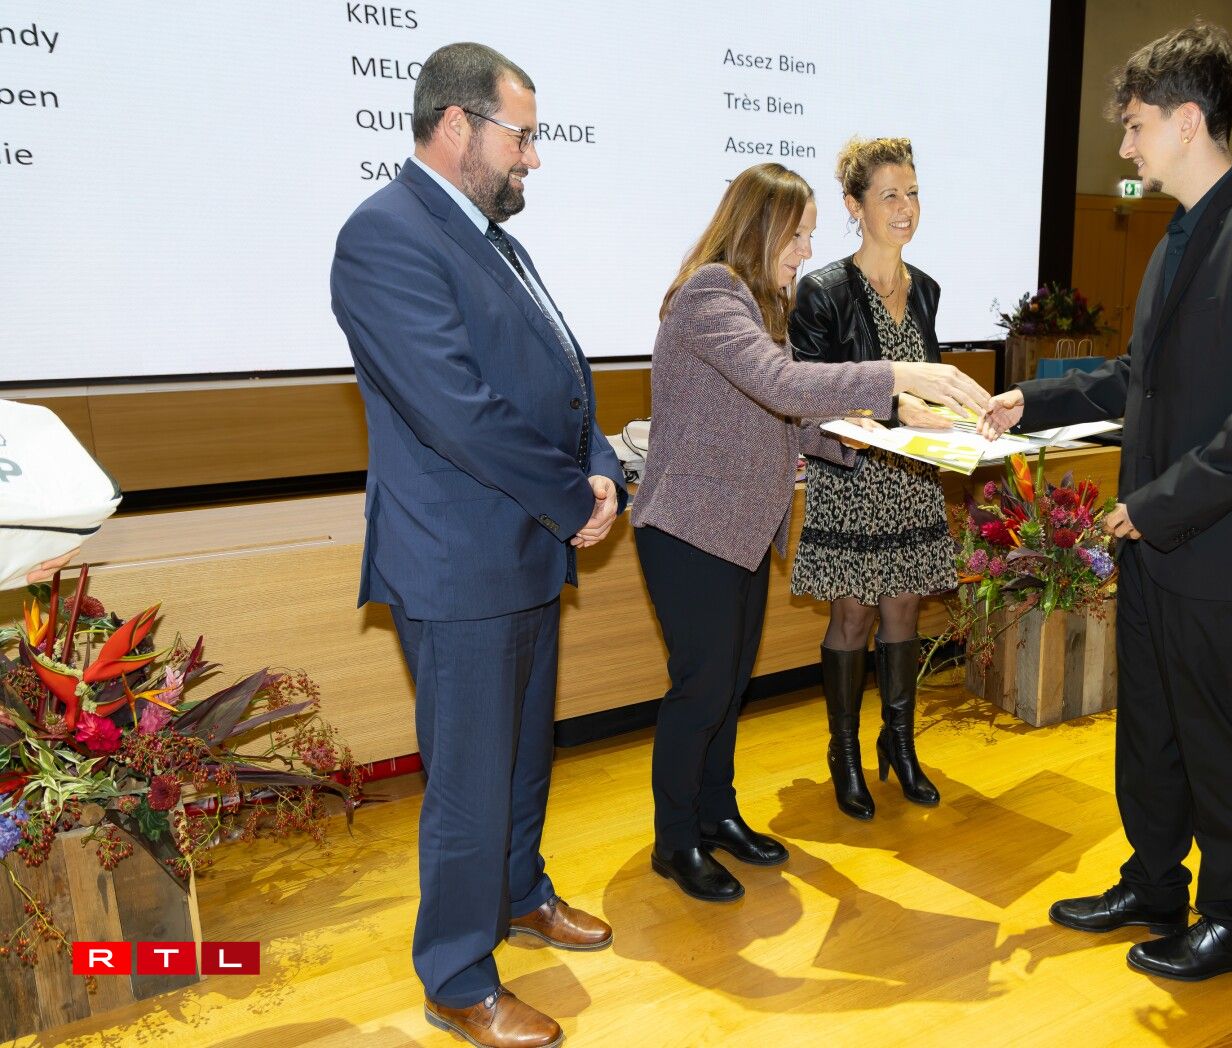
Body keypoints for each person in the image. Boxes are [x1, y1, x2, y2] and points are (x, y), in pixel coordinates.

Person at [980, 21, 1232, 982]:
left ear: (1186, 121)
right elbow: (1139, 376)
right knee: (1151, 727)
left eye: (1134, 126)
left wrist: (1157, 503)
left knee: (1218, 737)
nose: (1126, 147)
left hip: (1221, 546)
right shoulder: (1178, 233)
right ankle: (1154, 884)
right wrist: (1031, 401)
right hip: (1160, 537)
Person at [330, 42, 625, 1048]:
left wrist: (599, 467)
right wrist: (571, 497)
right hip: (458, 562)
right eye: (522, 137)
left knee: (522, 753)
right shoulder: (384, 236)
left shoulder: (494, 239)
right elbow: (459, 411)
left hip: (525, 544)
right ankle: (457, 975)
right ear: (457, 125)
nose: (532, 158)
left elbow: (561, 377)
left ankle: (518, 892)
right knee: (468, 779)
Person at [630, 162, 989, 903]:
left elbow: (787, 418)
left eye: (810, 237)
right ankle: (675, 841)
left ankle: (717, 814)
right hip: (690, 530)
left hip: (738, 531)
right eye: (796, 236)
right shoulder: (711, 293)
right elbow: (783, 385)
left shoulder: (756, 304)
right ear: (758, 227)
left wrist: (867, 434)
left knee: (728, 688)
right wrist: (896, 378)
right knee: (701, 690)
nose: (805, 252)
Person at [789, 137, 954, 821]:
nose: (905, 207)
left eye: (912, 192)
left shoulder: (927, 290)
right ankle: (845, 752)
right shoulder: (822, 291)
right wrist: (894, 410)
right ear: (854, 206)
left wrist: (954, 423)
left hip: (910, 476)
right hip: (852, 476)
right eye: (889, 194)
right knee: (854, 614)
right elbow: (811, 393)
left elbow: (929, 389)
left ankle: (900, 743)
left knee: (904, 609)